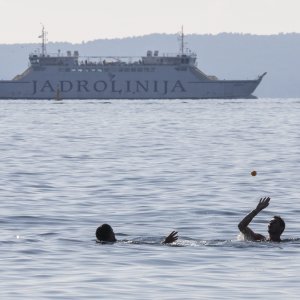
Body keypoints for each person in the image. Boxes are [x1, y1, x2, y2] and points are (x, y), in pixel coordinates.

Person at [95, 223, 178, 244]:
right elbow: (144, 244)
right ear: (110, 235)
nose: (114, 233)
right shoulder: (123, 243)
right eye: (113, 231)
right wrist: (165, 243)